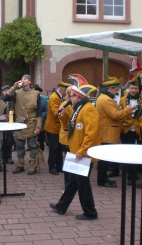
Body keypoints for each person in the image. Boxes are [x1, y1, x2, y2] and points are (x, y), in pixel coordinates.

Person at [49, 82, 100, 220]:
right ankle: (62, 206)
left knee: (82, 182)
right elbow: (68, 126)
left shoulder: (88, 109)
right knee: (73, 181)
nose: (69, 98)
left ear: (77, 96)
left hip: (83, 152)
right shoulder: (78, 108)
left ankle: (90, 212)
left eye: (71, 96)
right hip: (76, 150)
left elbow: (92, 133)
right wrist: (63, 114)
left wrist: (83, 150)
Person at [95, 76, 133, 187]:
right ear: (110, 89)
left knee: (104, 158)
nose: (117, 92)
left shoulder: (103, 97)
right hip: (108, 132)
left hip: (105, 131)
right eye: (116, 89)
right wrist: (127, 110)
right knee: (104, 158)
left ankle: (103, 178)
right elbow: (115, 115)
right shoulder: (106, 100)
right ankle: (102, 180)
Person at [3, 74, 42, 175]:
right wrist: (15, 86)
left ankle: (32, 166)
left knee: (33, 145)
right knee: (19, 145)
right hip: (19, 122)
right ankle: (20, 165)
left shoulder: (36, 93)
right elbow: (5, 98)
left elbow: (39, 112)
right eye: (22, 79)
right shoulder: (16, 93)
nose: (23, 80)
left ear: (30, 82)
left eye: (25, 79)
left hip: (32, 122)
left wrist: (38, 126)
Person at [119, 76, 142, 184]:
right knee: (127, 153)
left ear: (139, 89)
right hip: (127, 129)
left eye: (135, 88)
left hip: (140, 129)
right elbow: (120, 114)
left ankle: (139, 174)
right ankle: (130, 176)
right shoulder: (122, 100)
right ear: (128, 88)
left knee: (140, 152)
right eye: (132, 88)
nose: (133, 90)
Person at [45, 82, 70, 175]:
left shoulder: (57, 96)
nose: (67, 94)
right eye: (67, 92)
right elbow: (56, 112)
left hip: (57, 127)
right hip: (53, 127)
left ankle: (59, 166)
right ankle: (52, 167)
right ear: (63, 90)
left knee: (59, 148)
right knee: (54, 148)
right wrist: (66, 105)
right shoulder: (54, 97)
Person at [0, 85, 14, 164]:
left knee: (10, 141)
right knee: (3, 141)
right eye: (5, 90)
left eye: (8, 90)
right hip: (2, 123)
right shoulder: (1, 100)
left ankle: (9, 157)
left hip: (11, 122)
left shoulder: (12, 99)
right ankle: (3, 157)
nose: (7, 92)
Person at [33, 84, 47, 153]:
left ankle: (40, 156)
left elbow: (46, 111)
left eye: (38, 91)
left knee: (41, 142)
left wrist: (40, 117)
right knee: (32, 142)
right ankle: (33, 158)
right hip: (32, 124)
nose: (37, 92)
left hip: (41, 124)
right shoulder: (30, 100)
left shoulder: (44, 100)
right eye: (35, 90)